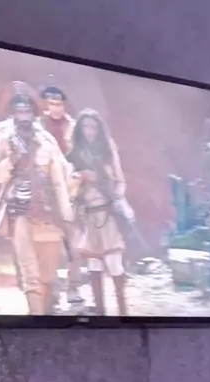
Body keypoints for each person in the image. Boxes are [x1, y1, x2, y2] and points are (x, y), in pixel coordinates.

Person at [0, 87, 73, 315]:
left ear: (34, 111)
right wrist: (11, 162)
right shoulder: (4, 137)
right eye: (19, 110)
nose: (23, 114)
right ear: (12, 112)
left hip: (48, 211)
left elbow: (59, 181)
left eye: (27, 109)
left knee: (48, 274)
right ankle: (36, 318)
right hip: (18, 208)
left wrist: (67, 216)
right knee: (29, 271)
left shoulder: (46, 141)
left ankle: (45, 313)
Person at [68, 108, 129, 315]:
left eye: (93, 127)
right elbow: (68, 185)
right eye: (85, 126)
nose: (90, 131)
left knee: (114, 264)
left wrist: (118, 198)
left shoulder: (108, 151)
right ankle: (101, 313)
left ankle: (123, 313)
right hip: (88, 215)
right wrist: (78, 179)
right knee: (94, 264)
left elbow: (120, 182)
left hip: (108, 213)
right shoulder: (75, 153)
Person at [40, 84, 75, 157]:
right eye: (51, 104)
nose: (55, 108)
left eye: (58, 104)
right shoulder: (38, 124)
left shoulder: (74, 125)